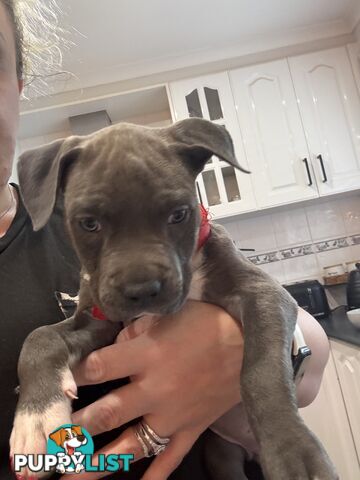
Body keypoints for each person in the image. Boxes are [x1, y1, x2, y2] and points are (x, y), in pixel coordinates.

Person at [0, 1, 331, 479]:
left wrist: (259, 371)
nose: (137, 275)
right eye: (90, 225)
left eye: (174, 215)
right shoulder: (63, 200)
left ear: (17, 85)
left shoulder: (58, 218)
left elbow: (305, 351)